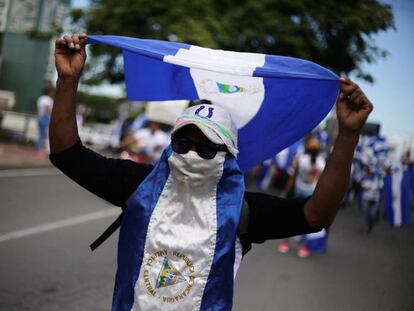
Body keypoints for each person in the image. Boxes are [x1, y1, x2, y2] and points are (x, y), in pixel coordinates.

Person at [50, 34, 373, 311]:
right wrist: (68, 80)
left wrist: (347, 136)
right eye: (182, 143)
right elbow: (69, 156)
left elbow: (317, 214)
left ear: (228, 155)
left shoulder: (242, 211)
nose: (192, 153)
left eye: (206, 148)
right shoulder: (139, 185)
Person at [277, 137, 327, 258]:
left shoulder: (302, 158)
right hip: (310, 193)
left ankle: (286, 243)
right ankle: (303, 247)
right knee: (306, 220)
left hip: (303, 192)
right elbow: (321, 181)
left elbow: (292, 177)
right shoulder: (320, 161)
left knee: (292, 217)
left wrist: (286, 191)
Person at [35, 87, 53, 157]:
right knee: (44, 135)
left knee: (42, 134)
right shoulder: (48, 99)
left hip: (39, 116)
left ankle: (40, 150)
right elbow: (47, 108)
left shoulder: (40, 98)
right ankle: (39, 151)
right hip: (45, 117)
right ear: (49, 92)